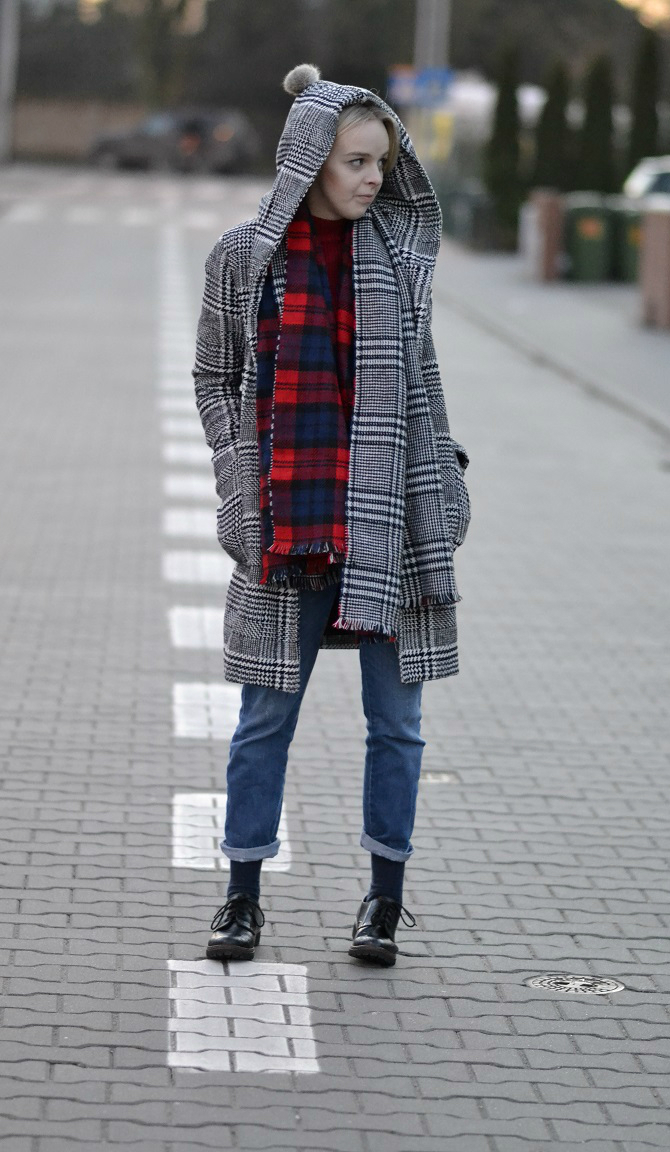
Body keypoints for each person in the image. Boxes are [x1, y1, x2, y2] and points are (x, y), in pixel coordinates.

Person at [193, 64, 471, 967]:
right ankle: (241, 897)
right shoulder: (244, 258)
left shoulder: (397, 259)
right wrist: (236, 473)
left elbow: (425, 383)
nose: (372, 179)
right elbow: (213, 375)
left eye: (381, 162)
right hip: (289, 522)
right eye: (356, 161)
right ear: (310, 160)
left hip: (390, 520)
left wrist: (446, 481)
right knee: (264, 721)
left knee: (397, 727)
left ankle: (384, 902)